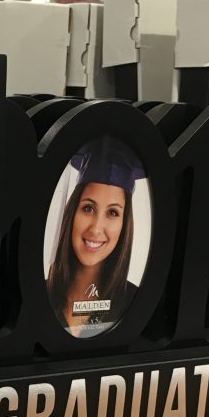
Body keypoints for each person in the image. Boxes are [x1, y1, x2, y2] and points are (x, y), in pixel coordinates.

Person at [46, 139, 141, 337]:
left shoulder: (135, 302)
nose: (96, 228)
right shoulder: (42, 292)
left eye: (113, 212)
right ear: (72, 212)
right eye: (88, 208)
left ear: (124, 224)